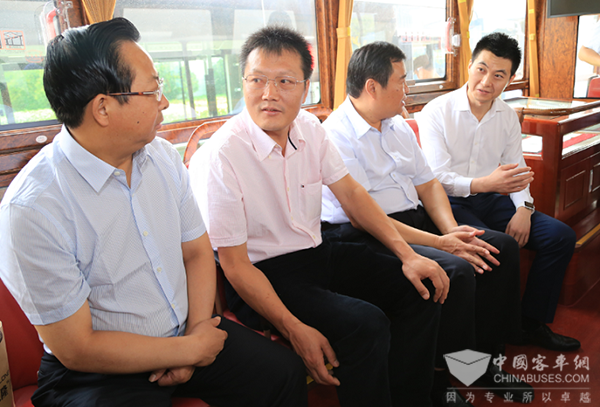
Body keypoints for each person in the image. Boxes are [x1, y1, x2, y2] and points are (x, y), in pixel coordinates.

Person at [0, 18, 307, 407]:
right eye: (152, 90)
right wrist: (187, 352)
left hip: (185, 332)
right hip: (97, 370)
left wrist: (196, 335)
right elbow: (78, 347)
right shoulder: (33, 208)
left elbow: (197, 253)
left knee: (283, 373)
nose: (163, 102)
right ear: (103, 108)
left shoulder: (161, 157)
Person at [190, 26, 459, 407]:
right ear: (243, 82)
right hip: (264, 273)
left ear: (305, 88)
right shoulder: (221, 155)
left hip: (318, 252)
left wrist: (408, 255)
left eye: (285, 81)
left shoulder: (309, 128)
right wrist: (293, 328)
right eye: (257, 80)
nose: (269, 94)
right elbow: (234, 265)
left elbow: (352, 194)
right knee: (365, 325)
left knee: (421, 288)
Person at [321, 41, 529, 406]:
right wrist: (441, 244)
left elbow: (429, 184)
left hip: (413, 219)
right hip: (367, 232)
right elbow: (364, 215)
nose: (407, 89)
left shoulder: (397, 125)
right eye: (401, 81)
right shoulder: (336, 134)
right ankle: (441, 376)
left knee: (499, 248)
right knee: (456, 269)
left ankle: (482, 360)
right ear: (372, 87)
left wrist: (449, 229)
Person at [418, 32, 580, 352]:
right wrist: (485, 184)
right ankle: (484, 346)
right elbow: (436, 178)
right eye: (481, 69)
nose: (486, 81)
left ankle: (528, 323)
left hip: (492, 200)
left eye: (498, 75)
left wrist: (524, 210)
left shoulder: (506, 116)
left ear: (510, 79)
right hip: (448, 204)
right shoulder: (437, 111)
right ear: (469, 66)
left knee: (560, 237)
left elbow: (516, 170)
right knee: (497, 249)